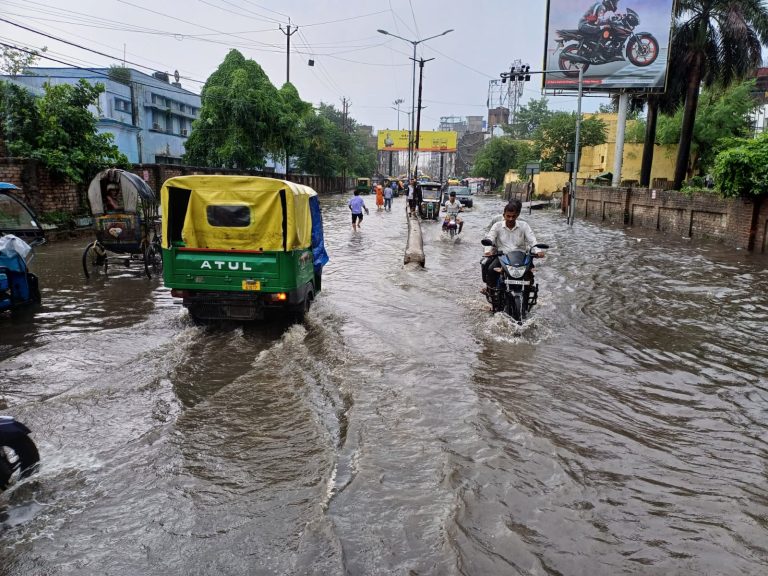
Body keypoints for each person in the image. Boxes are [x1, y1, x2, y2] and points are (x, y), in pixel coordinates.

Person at [482, 199, 544, 293]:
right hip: (502, 256)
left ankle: (528, 288)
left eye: (513, 216)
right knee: (490, 269)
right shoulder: (497, 225)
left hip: (521, 257)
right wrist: (488, 250)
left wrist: (538, 251)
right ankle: (491, 291)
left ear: (517, 215)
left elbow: (532, 240)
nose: (511, 219)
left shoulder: (524, 225)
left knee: (530, 272)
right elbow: (490, 237)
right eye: (508, 216)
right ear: (504, 215)